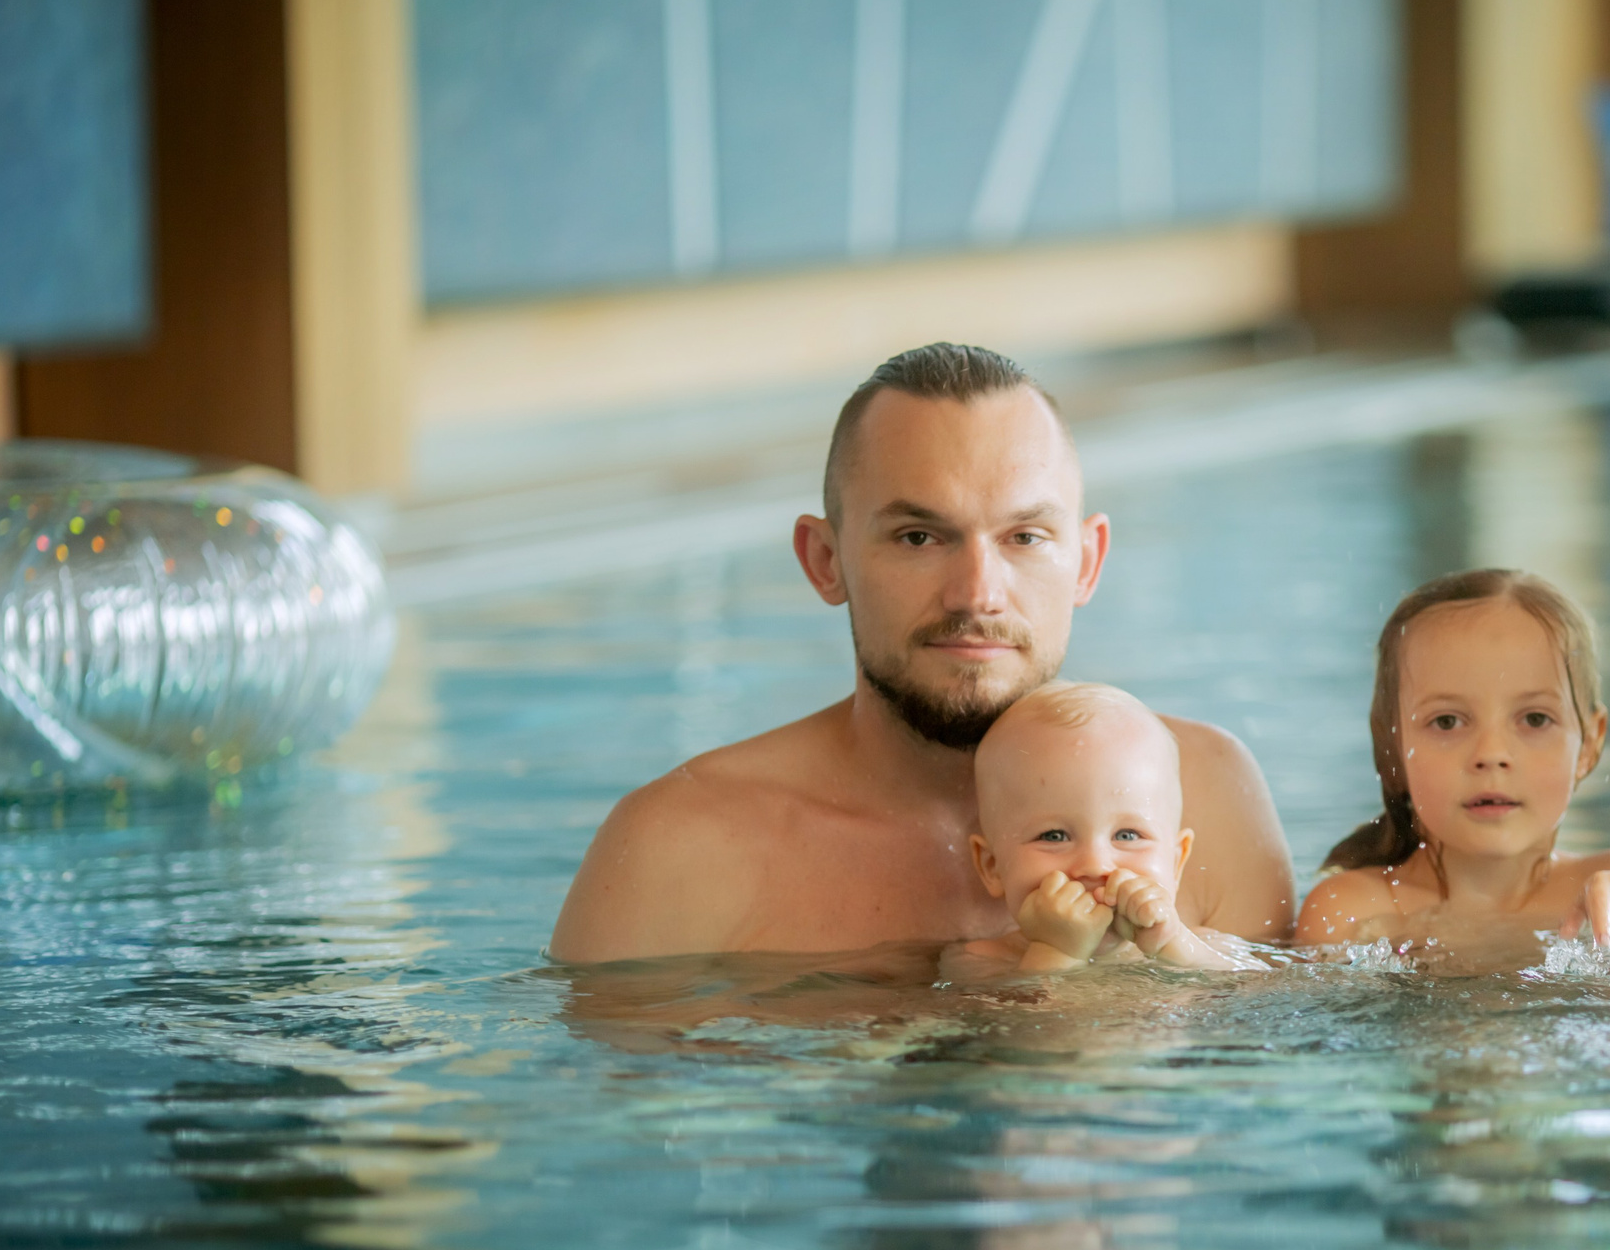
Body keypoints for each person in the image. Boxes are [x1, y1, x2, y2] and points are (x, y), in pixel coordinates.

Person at [549, 344, 1295, 964]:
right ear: (825, 559)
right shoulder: (678, 851)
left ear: (1088, 562)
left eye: (1024, 537)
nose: (977, 594)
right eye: (919, 537)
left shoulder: (1207, 791)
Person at [1295, 568, 1610, 962]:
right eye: (1447, 721)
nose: (1491, 753)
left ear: (1589, 743)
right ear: (1393, 746)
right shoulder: (1350, 911)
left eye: (1533, 719)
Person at [945, 682, 1253, 977]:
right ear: (992, 866)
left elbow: (1254, 1001)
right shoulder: (980, 962)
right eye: (1054, 836)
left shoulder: (1208, 946)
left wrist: (1175, 945)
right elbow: (1013, 1028)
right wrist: (1056, 952)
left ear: (1176, 862)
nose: (1095, 865)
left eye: (1127, 835)